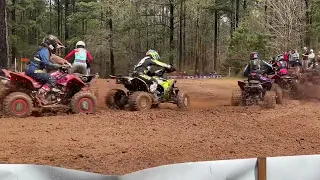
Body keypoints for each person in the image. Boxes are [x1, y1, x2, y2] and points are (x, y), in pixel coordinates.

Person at [25, 35, 67, 105]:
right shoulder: (44, 50)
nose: (55, 47)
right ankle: (40, 95)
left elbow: (50, 61)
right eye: (54, 45)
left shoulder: (42, 49)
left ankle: (43, 94)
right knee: (51, 78)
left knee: (45, 76)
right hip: (34, 70)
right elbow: (46, 63)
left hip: (31, 69)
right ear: (51, 44)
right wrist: (60, 66)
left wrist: (60, 63)